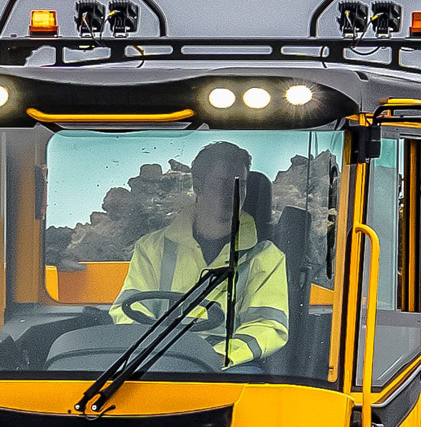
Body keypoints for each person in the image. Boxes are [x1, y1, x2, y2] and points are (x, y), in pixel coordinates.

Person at [107, 139, 292, 367]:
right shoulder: (152, 248)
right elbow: (131, 312)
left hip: (227, 368)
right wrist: (153, 354)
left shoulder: (266, 256)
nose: (232, 193)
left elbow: (267, 326)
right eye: (221, 183)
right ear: (198, 186)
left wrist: (212, 358)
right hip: (157, 364)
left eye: (240, 184)